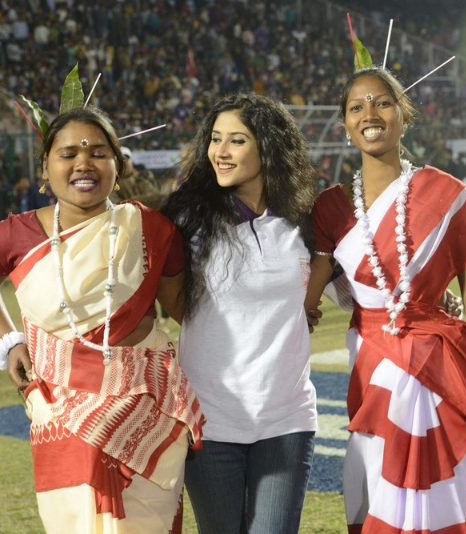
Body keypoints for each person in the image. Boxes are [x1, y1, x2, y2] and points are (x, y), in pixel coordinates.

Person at [304, 66, 466, 533]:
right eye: (356, 107)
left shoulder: (447, 195)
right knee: (365, 495)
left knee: (432, 506)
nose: (370, 113)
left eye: (383, 102)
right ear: (345, 125)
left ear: (404, 116)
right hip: (369, 367)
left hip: (436, 370)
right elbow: (309, 296)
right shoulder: (330, 207)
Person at [0, 105, 203, 533]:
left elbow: (187, 310)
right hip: (59, 410)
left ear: (119, 164)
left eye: (97, 153)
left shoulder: (151, 228)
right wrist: (10, 340)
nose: (83, 164)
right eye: (68, 153)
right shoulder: (14, 235)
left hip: (145, 404)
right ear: (45, 168)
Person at [161, 93, 318, 533]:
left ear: (267, 146)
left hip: (286, 417)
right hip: (210, 421)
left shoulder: (304, 217)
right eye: (215, 139)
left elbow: (344, 285)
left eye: (236, 140)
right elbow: (175, 303)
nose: (220, 152)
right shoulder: (185, 218)